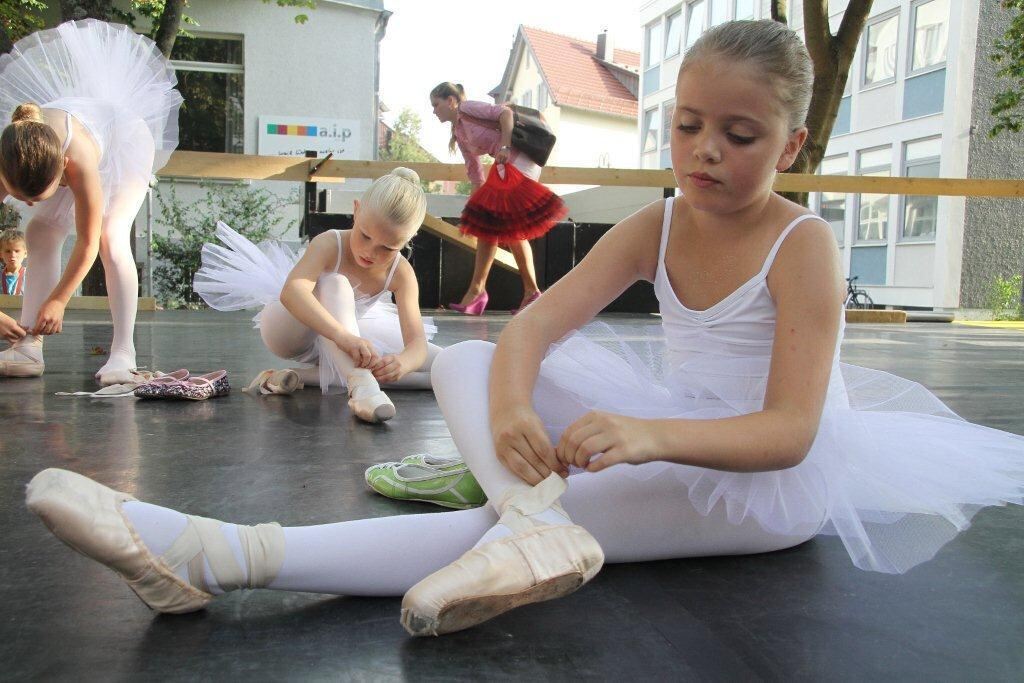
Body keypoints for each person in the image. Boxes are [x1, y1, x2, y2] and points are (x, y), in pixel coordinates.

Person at [25, 21, 1024, 637]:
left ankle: (212, 551)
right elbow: (534, 327)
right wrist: (510, 408)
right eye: (686, 125)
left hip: (759, 484)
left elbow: (790, 430)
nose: (705, 151)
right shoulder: (657, 221)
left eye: (739, 134)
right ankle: (535, 528)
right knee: (468, 362)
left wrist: (648, 435)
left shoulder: (799, 244)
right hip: (672, 429)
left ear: (793, 142)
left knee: (491, 526)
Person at [0, 19, 182, 383]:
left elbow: (85, 241)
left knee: (110, 238)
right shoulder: (7, 157)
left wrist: (59, 299)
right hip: (66, 139)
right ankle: (28, 347)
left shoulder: (79, 157)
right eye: (21, 197)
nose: (31, 203)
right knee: (40, 230)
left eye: (41, 195)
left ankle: (123, 354)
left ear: (64, 171)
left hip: (124, 138)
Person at [193, 168, 440, 423]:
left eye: (387, 248)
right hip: (293, 330)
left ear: (408, 240)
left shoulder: (402, 273)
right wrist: (342, 336)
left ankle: (300, 377)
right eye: (365, 235)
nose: (370, 252)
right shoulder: (330, 243)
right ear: (356, 210)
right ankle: (363, 387)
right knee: (335, 283)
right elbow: (292, 292)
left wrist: (404, 363)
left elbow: (416, 343)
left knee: (443, 364)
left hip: (341, 343)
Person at [430, 82, 545, 315]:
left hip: (519, 158)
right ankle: (478, 291)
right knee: (488, 227)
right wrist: (473, 209)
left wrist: (504, 145)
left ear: (451, 101)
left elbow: (506, 113)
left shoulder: (469, 108)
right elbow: (475, 174)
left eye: (436, 104)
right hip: (505, 163)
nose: (434, 110)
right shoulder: (459, 132)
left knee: (509, 227)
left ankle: (527, 292)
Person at [1, 229, 27, 296]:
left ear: (25, 253)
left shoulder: (31, 276)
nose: (12, 255)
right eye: (8, 251)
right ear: (1, 254)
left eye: (17, 251)